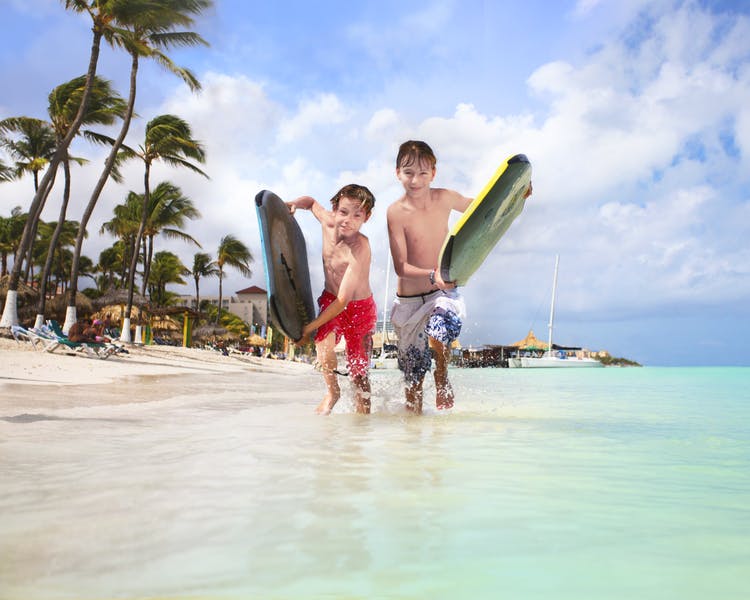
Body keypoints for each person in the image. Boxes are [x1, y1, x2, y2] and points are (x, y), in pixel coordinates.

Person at [387, 140, 532, 414]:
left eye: (423, 172)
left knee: (438, 332)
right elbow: (400, 266)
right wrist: (431, 274)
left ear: (434, 173)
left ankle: (441, 375)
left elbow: (487, 212)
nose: (415, 180)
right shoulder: (395, 212)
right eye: (408, 173)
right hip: (407, 304)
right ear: (397, 173)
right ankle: (413, 445)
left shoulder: (445, 198)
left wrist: (516, 194)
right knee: (413, 385)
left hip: (442, 294)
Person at [287, 184, 377, 415]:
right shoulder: (327, 222)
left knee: (359, 373)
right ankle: (332, 392)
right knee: (323, 344)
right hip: (331, 298)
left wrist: (309, 327)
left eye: (357, 215)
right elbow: (310, 202)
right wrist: (296, 203)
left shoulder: (360, 248)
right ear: (334, 209)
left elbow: (343, 300)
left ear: (367, 217)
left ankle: (362, 423)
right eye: (344, 212)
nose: (348, 220)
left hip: (358, 309)